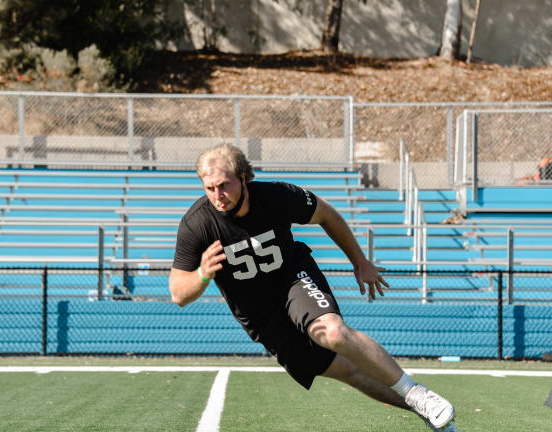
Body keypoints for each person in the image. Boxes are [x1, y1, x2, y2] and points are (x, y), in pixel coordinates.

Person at [169, 143, 458, 431]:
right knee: (350, 372)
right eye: (209, 188)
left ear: (243, 177)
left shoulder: (276, 196)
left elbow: (327, 215)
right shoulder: (197, 224)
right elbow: (178, 294)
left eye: (224, 185)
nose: (217, 196)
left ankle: (418, 394)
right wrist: (202, 274)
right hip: (261, 317)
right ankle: (431, 415)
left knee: (332, 332)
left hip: (292, 278)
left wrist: (359, 261)